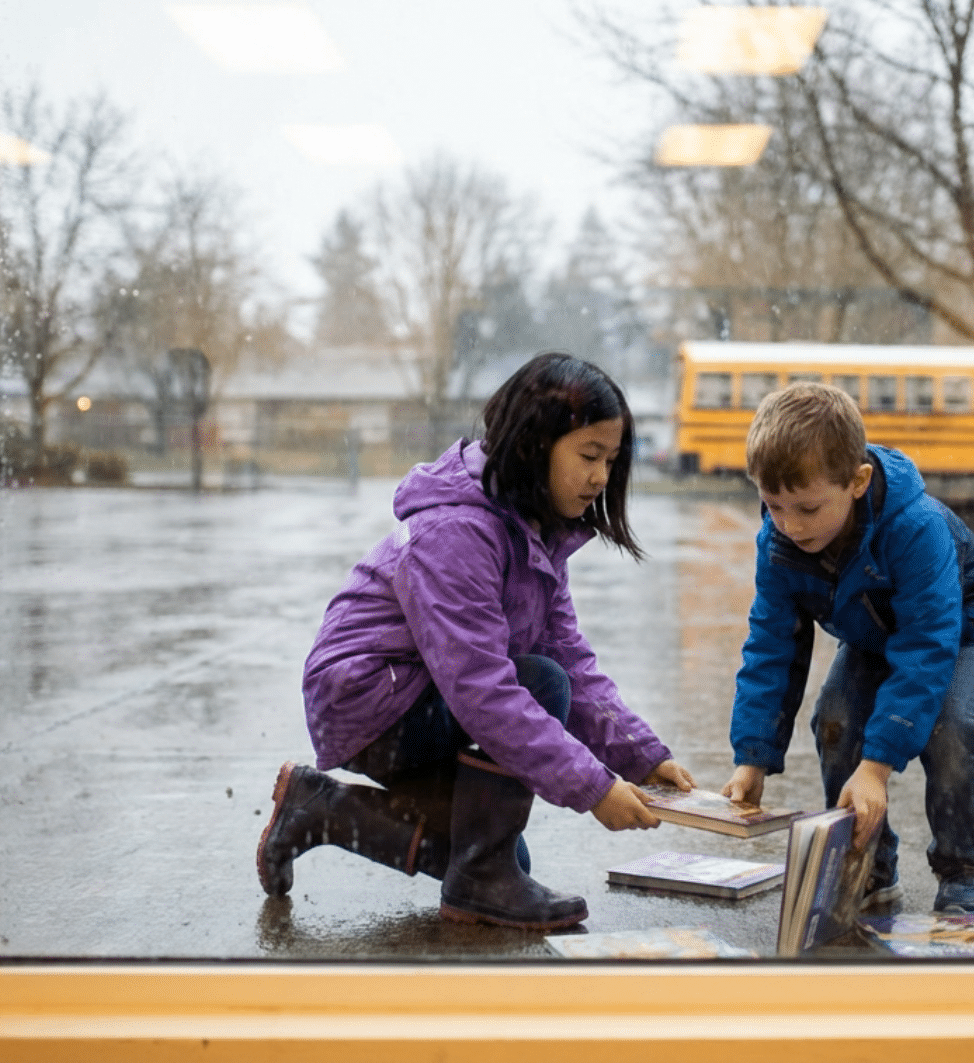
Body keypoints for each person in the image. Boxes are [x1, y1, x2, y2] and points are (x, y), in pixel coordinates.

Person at [256, 353, 696, 930]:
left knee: (495, 854)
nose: (600, 478)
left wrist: (640, 756)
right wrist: (593, 789)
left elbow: (574, 658)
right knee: (537, 688)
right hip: (371, 701)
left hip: (422, 697)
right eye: (589, 456)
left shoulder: (537, 531)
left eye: (610, 461)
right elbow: (482, 691)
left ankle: (317, 811)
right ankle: (477, 877)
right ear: (536, 445)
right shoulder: (457, 534)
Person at [721, 382, 974, 914]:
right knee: (835, 718)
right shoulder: (779, 542)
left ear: (857, 482)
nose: (790, 526)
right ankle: (870, 867)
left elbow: (928, 645)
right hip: (876, 632)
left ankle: (965, 868)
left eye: (808, 508)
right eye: (773, 506)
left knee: (950, 725)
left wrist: (877, 767)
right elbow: (772, 646)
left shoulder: (915, 527)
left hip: (967, 624)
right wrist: (753, 757)